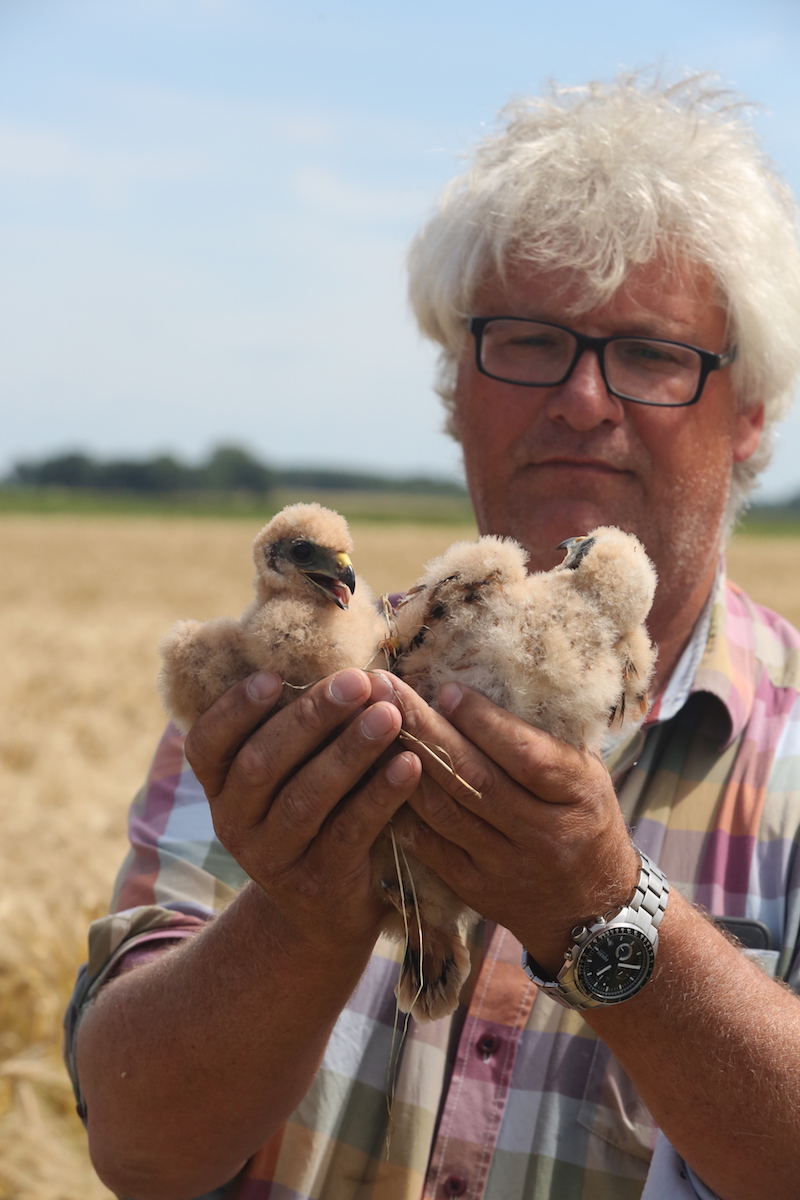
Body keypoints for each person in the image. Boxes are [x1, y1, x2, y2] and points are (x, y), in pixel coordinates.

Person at [66, 75, 800, 1200]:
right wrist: (309, 911)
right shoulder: (296, 685)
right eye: (526, 340)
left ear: (747, 408)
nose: (581, 400)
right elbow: (143, 1150)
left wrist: (606, 916)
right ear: (454, 386)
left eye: (649, 354)